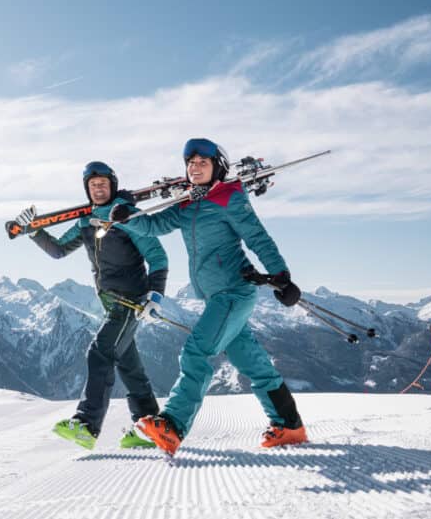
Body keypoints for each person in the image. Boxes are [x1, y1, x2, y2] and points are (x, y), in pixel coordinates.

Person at [108, 138, 307, 456]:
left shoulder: (230, 198)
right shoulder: (187, 205)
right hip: (216, 297)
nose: (195, 167)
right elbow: (154, 225)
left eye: (202, 162)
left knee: (196, 354)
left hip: (233, 293)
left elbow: (258, 238)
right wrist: (127, 215)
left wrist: (282, 277)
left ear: (218, 167)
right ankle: (290, 426)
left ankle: (172, 425)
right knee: (253, 364)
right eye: (190, 163)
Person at [14, 161, 169, 450]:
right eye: (93, 185)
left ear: (112, 185)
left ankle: (86, 424)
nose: (98, 189)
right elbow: (59, 250)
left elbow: (158, 257)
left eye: (103, 184)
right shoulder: (86, 221)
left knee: (99, 353)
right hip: (111, 303)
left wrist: (155, 295)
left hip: (130, 300)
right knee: (128, 364)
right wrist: (34, 231)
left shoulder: (127, 216)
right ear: (87, 190)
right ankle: (151, 426)